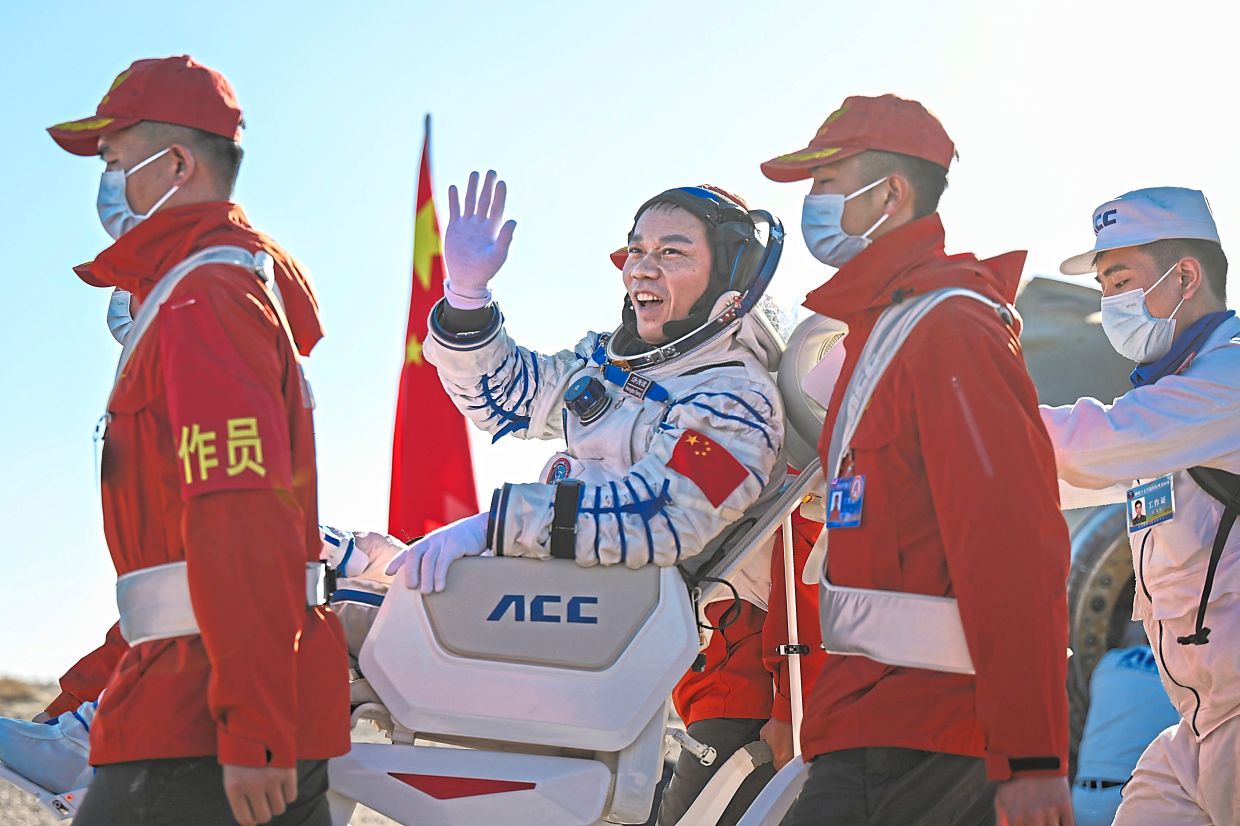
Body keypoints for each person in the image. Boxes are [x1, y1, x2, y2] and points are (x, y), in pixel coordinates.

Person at [1, 55, 351, 826]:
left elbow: (241, 514)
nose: (106, 182)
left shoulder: (206, 300)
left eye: (114, 159)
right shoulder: (211, 292)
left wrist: (253, 727)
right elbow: (178, 568)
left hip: (198, 719)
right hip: (224, 699)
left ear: (178, 164)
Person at [761, 94, 1074, 825]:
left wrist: (1031, 755)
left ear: (891, 194)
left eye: (826, 182)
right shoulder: (875, 337)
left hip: (930, 744)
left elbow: (1013, 546)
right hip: (864, 727)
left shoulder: (951, 328)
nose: (812, 203)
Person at [1040, 186, 1240, 825]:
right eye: (1103, 288)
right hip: (1199, 725)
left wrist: (944, 416)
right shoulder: (1178, 401)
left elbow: (1089, 446)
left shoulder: (1229, 378)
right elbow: (1050, 477)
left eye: (1122, 281)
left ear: (1186, 276)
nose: (1111, 304)